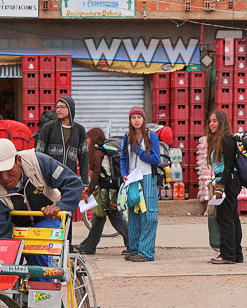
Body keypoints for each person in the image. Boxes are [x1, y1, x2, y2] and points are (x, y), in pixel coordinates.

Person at [0, 138, 84, 269]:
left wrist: (60, 207)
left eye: (8, 170)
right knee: (8, 256)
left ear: (18, 160)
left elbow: (73, 183)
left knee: (38, 248)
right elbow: (0, 234)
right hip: (14, 227)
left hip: (48, 220)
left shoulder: (38, 161)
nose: (4, 177)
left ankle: (41, 287)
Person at [77, 127, 129, 255]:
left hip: (107, 190)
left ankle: (133, 244)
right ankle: (88, 246)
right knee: (99, 218)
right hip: (108, 189)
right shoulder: (103, 151)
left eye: (88, 138)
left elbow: (96, 174)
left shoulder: (97, 152)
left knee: (115, 217)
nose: (86, 141)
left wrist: (89, 191)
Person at [120, 106, 161, 262]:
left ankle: (146, 253)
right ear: (130, 120)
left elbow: (156, 159)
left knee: (149, 214)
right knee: (134, 214)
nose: (136, 120)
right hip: (132, 179)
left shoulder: (151, 136)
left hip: (148, 177)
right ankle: (135, 249)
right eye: (133, 117)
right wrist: (124, 174)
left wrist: (140, 152)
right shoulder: (127, 137)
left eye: (139, 117)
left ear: (143, 119)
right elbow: (123, 159)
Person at [206, 110, 243, 265]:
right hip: (225, 182)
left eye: (215, 121)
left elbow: (227, 165)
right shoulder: (219, 139)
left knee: (225, 218)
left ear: (222, 122)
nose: (211, 124)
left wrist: (220, 187)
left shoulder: (227, 139)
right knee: (232, 217)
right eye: (210, 121)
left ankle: (228, 255)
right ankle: (236, 253)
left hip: (227, 183)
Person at [35, 97, 89, 195]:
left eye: (62, 107)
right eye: (57, 107)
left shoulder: (79, 130)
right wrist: (40, 176)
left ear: (70, 109)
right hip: (50, 177)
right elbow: (39, 154)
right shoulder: (48, 127)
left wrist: (85, 181)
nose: (58, 110)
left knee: (67, 207)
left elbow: (84, 157)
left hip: (69, 177)